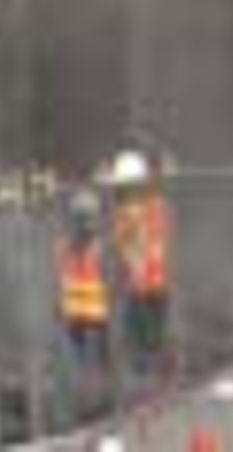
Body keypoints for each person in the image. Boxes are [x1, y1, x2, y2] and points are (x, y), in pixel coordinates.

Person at [110, 149, 176, 387]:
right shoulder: (135, 210)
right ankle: (151, 377)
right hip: (142, 285)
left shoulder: (149, 209)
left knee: (149, 336)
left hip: (148, 285)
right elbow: (124, 245)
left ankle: (155, 377)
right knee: (144, 337)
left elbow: (147, 245)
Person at [56, 191, 114, 412]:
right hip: (80, 315)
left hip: (93, 314)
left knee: (95, 361)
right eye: (84, 217)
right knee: (85, 363)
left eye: (90, 217)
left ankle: (97, 401)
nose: (88, 223)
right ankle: (90, 403)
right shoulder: (70, 246)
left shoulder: (97, 246)